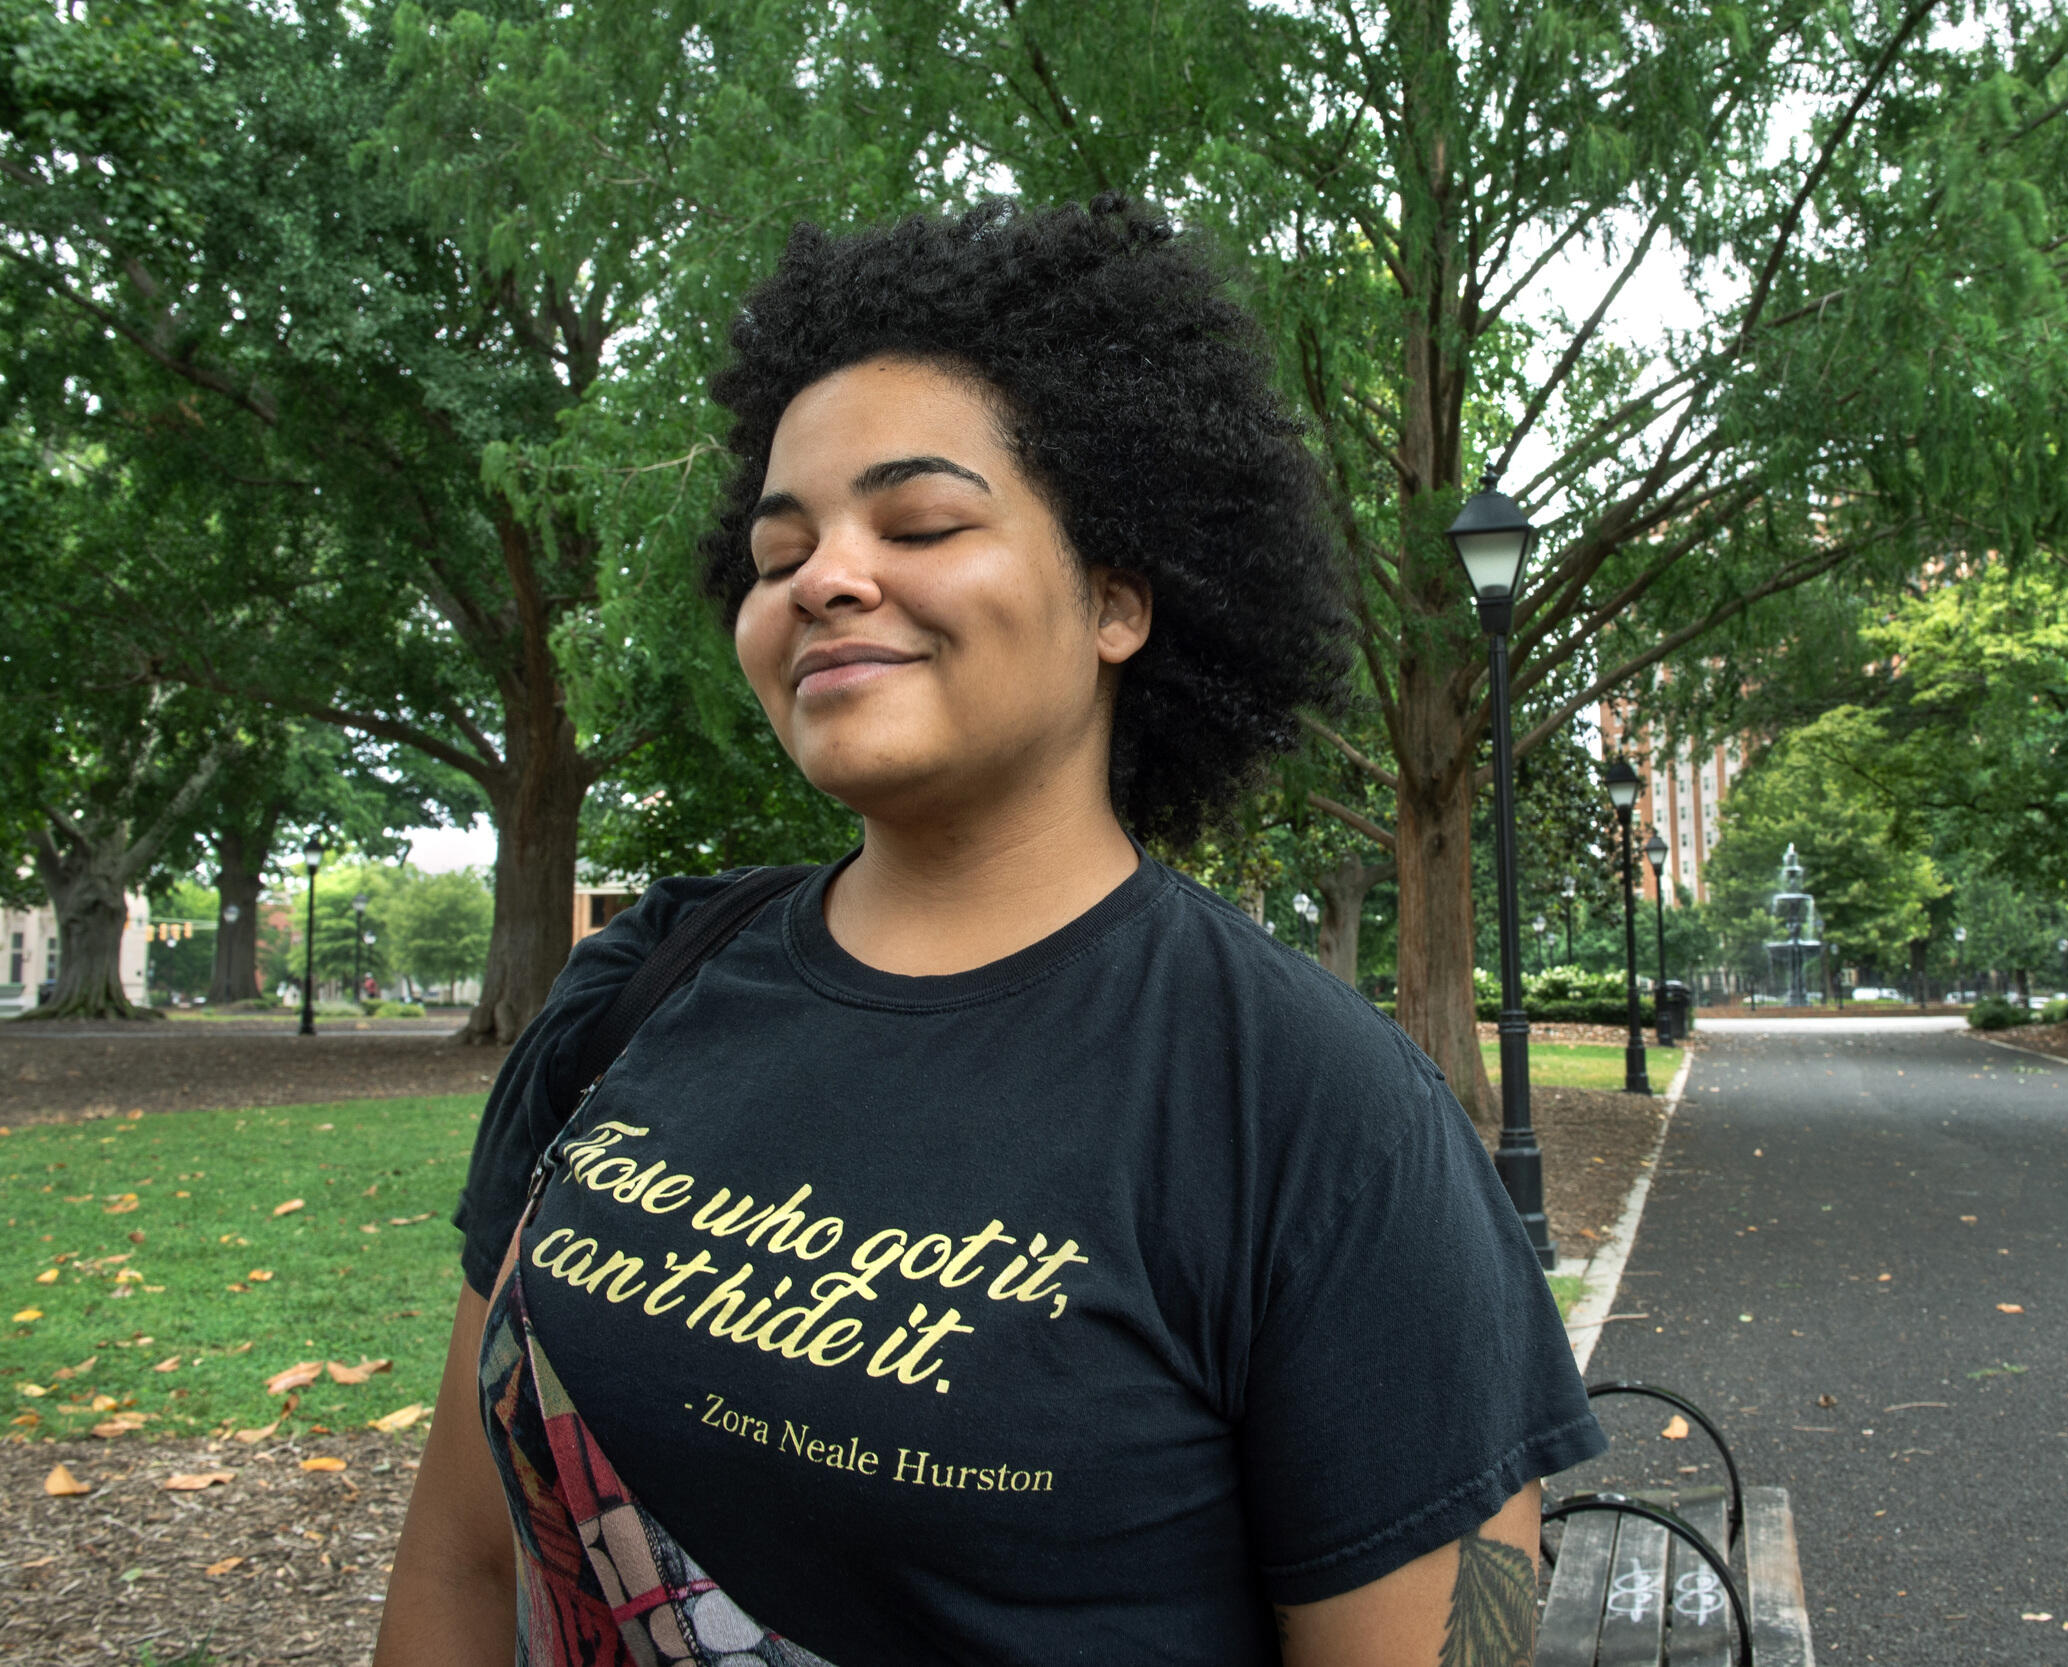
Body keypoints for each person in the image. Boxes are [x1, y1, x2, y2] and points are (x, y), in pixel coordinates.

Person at [376, 196, 1600, 1667]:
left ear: (1119, 603)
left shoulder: (1313, 1114)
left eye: (921, 522)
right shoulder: (636, 991)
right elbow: (462, 1559)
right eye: (779, 553)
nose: (824, 577)